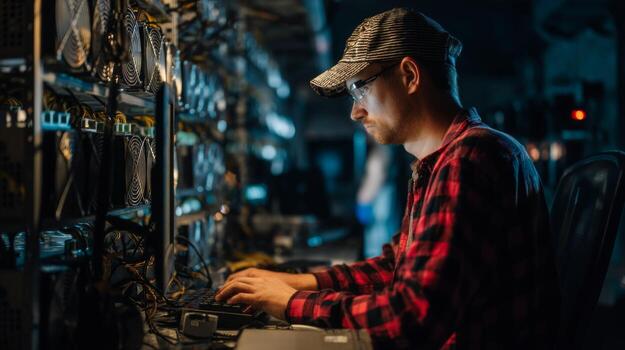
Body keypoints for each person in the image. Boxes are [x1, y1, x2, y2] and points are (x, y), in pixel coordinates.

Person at [215, 8, 560, 349]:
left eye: (360, 89)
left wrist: (291, 304)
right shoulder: (445, 160)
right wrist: (295, 282)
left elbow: (411, 319)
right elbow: (396, 267)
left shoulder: (469, 160)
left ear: (410, 75)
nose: (355, 111)